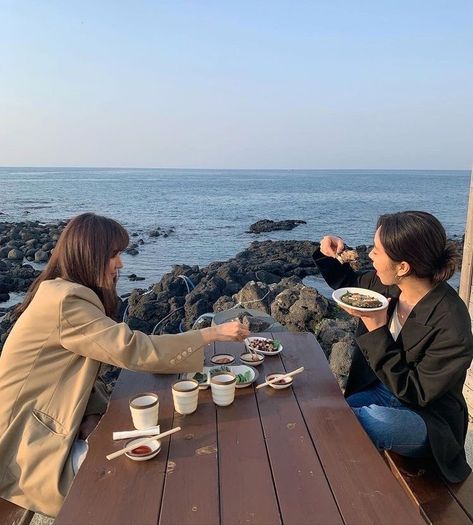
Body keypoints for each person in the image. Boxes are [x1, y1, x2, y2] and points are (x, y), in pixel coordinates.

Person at [0, 212, 250, 517]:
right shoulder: (67, 302)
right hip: (26, 449)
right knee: (141, 477)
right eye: (114, 255)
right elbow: (133, 350)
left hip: (36, 430)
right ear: (89, 256)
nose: (120, 263)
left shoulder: (59, 290)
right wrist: (210, 333)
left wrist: (96, 417)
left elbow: (72, 373)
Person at [313, 210, 473, 483]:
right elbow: (348, 283)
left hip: (427, 418)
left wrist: (377, 329)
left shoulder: (451, 322)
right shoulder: (385, 287)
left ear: (403, 267)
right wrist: (330, 251)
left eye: (377, 250)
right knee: (333, 417)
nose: (369, 255)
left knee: (371, 422)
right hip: (379, 391)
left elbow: (417, 393)